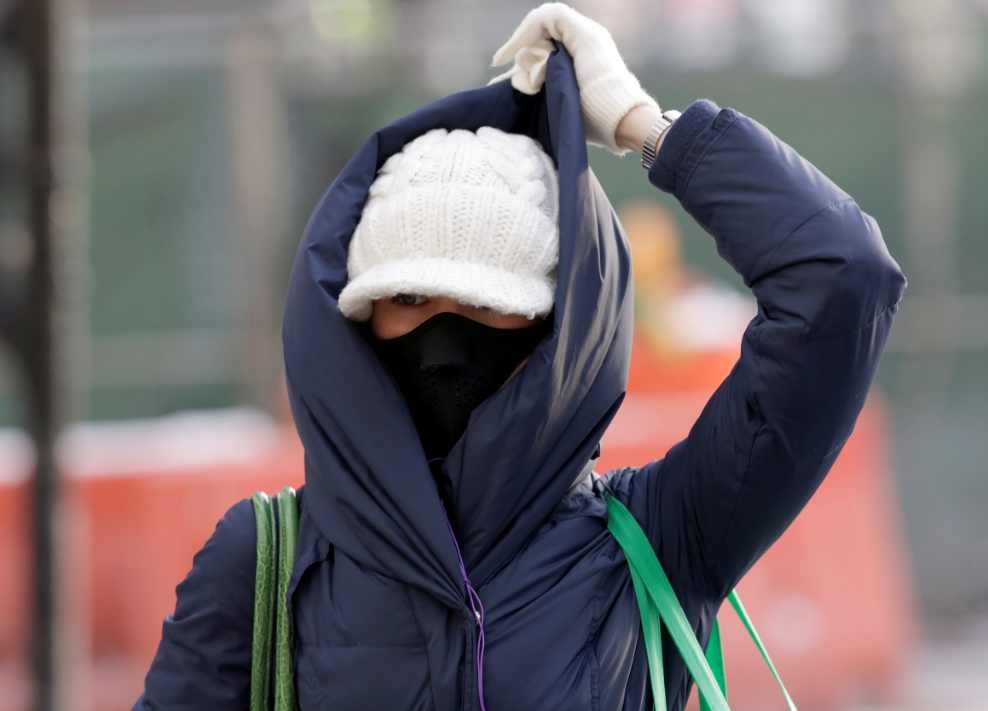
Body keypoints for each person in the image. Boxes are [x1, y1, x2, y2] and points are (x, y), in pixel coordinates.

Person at [132, 4, 905, 711]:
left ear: (555, 325)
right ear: (357, 317)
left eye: (484, 302)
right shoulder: (267, 561)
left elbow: (840, 277)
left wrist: (644, 126)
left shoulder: (664, 536)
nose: (444, 337)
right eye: (408, 298)